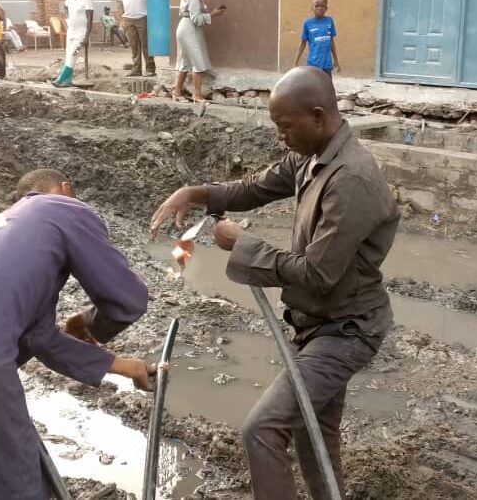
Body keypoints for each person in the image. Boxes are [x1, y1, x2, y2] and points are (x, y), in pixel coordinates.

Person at [150, 67, 400, 500]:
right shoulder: (312, 155)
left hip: (347, 329)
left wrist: (244, 245)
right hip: (320, 323)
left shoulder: (351, 179)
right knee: (313, 431)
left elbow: (318, 274)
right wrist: (195, 192)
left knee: (262, 429)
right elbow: (254, 188)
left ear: (318, 116)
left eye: (285, 126)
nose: (280, 137)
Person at [0, 168, 155, 500]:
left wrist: (127, 367)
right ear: (65, 188)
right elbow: (127, 298)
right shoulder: (64, 208)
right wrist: (90, 324)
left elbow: (41, 339)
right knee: (17, 486)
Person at [173, 0, 224, 103]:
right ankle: (197, 95)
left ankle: (177, 92)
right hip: (190, 30)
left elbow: (185, 13)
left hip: (183, 28)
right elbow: (196, 19)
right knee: (198, 62)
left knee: (185, 63)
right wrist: (212, 14)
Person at [117, 0, 156, 77]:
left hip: (142, 16)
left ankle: (150, 68)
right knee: (134, 46)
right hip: (128, 18)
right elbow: (120, 0)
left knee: (146, 45)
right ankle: (136, 69)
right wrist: (122, 18)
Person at [52, 0, 93, 88]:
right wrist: (67, 16)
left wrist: (87, 36)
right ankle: (67, 81)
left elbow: (90, 18)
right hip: (71, 32)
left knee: (72, 56)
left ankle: (60, 79)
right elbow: (65, 6)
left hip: (81, 34)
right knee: (68, 56)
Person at [293, 0, 340, 77]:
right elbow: (303, 44)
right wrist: (295, 62)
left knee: (327, 86)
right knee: (313, 86)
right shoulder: (307, 23)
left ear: (326, 8)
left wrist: (336, 61)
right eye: (317, 6)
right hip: (313, 64)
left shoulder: (329, 21)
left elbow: (331, 42)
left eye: (322, 6)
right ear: (312, 8)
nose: (319, 8)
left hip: (327, 63)